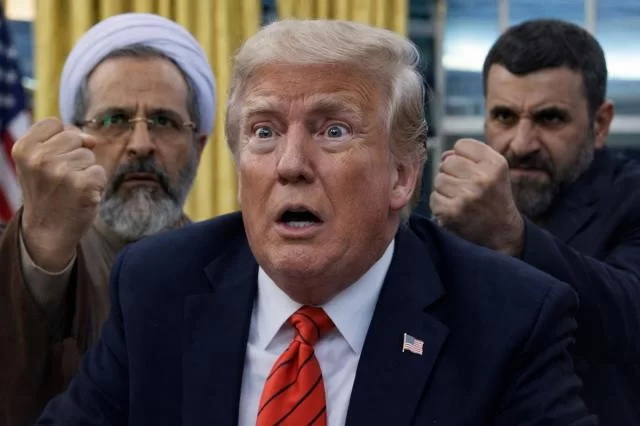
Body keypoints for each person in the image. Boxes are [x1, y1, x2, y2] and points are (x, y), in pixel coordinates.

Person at [39, 19, 594, 425]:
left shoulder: (509, 319)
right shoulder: (157, 286)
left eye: (333, 131)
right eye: (264, 131)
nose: (290, 164)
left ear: (402, 176)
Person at [0, 13, 216, 425]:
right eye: (115, 120)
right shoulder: (27, 250)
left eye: (164, 121)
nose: (141, 145)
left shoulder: (231, 272)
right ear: (76, 140)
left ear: (199, 146)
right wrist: (42, 243)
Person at [427, 18, 640, 424]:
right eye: (504, 117)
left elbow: (629, 316)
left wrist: (513, 236)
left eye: (550, 119)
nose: (522, 144)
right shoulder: (462, 211)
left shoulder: (630, 197)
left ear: (600, 124)